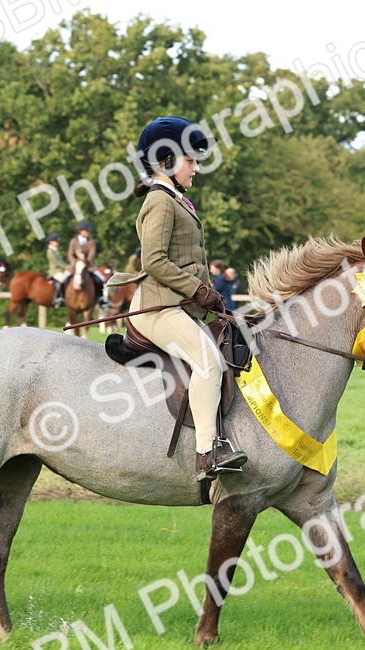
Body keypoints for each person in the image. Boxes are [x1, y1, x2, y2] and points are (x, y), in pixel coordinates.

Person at [130, 115, 246, 479]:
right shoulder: (161, 201)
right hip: (156, 307)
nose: (196, 168)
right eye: (190, 161)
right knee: (209, 362)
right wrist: (198, 289)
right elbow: (154, 261)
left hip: (178, 305)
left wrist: (206, 296)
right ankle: (207, 453)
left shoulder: (176, 198)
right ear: (166, 161)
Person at [56, 220, 105, 307]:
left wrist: (86, 261)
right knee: (63, 279)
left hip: (87, 265)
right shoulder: (73, 241)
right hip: (75, 265)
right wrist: (75, 262)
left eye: (88, 231)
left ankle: (101, 298)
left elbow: (91, 254)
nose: (87, 232)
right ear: (80, 231)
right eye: (86, 231)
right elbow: (70, 254)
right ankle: (61, 297)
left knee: (100, 279)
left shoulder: (91, 242)